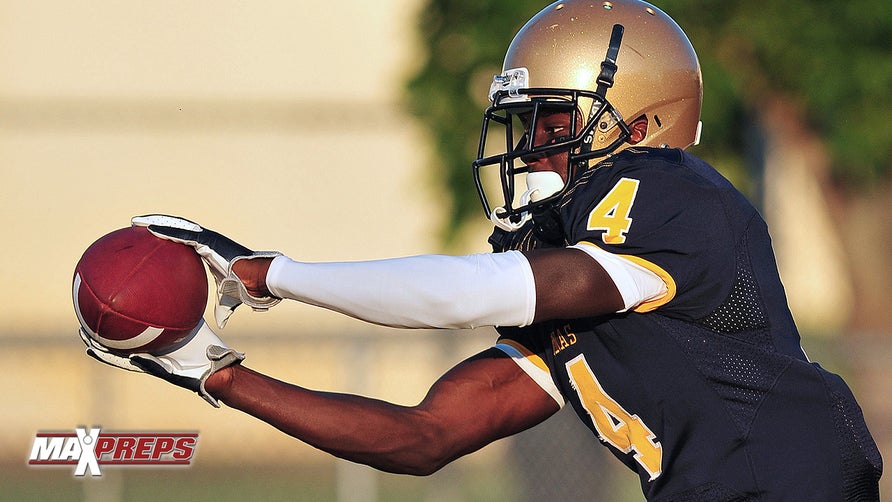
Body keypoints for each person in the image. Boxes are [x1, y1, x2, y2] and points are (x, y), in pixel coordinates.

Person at [79, 0, 882, 500]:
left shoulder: (675, 193)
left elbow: (472, 291)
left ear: (640, 122)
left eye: (555, 124)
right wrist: (217, 375)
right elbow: (422, 437)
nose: (531, 149)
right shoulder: (579, 283)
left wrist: (275, 275)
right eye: (526, 126)